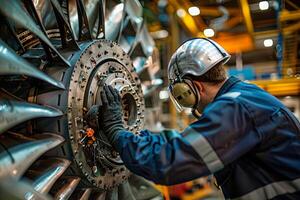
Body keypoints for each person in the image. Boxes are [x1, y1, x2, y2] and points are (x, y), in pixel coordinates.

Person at [97, 38, 300, 200]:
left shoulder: (236, 108)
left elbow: (168, 163)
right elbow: (182, 143)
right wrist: (132, 134)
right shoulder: (246, 97)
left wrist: (116, 130)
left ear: (191, 88)